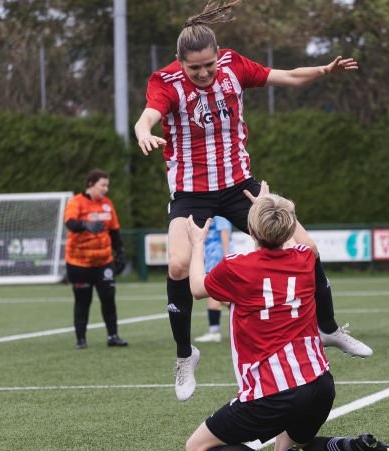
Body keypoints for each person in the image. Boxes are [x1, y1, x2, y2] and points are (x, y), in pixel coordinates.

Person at [133, 0, 371, 402]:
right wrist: (142, 131)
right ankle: (185, 354)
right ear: (181, 63)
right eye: (195, 68)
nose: (205, 73)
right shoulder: (165, 81)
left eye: (208, 64)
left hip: (239, 185)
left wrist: (324, 71)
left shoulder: (233, 66)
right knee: (176, 265)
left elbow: (291, 77)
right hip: (192, 193)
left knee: (307, 248)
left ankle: (327, 328)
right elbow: (148, 115)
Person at [184, 193, 389, 451]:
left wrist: (197, 243)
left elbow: (196, 287)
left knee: (196, 449)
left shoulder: (236, 266)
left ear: (251, 230)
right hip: (320, 384)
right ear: (290, 227)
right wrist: (271, 203)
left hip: (272, 392)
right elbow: (307, 243)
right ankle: (358, 445)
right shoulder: (304, 258)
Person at [64, 169, 128, 349]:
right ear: (91, 184)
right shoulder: (76, 202)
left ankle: (113, 336)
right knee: (82, 301)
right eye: (103, 185)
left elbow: (114, 231)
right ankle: (81, 339)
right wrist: (85, 224)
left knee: (108, 298)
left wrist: (120, 252)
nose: (106, 189)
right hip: (79, 262)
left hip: (103, 262)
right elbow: (70, 222)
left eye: (107, 185)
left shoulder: (107, 204)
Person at [195, 215, 233, 343]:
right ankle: (214, 330)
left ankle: (214, 331)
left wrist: (226, 258)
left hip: (217, 257)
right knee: (214, 292)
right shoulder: (209, 213)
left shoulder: (220, 213)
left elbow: (224, 232)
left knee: (213, 291)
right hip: (211, 257)